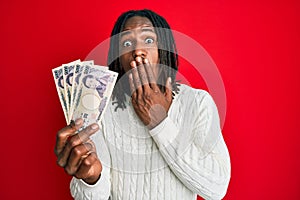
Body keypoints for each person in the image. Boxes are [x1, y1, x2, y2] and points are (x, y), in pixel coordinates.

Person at [54, 9, 231, 200]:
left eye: (148, 40)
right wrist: (91, 179)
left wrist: (160, 123)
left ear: (163, 50)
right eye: (127, 43)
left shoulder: (197, 103)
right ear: (118, 58)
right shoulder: (99, 106)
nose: (137, 50)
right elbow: (96, 196)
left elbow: (216, 188)